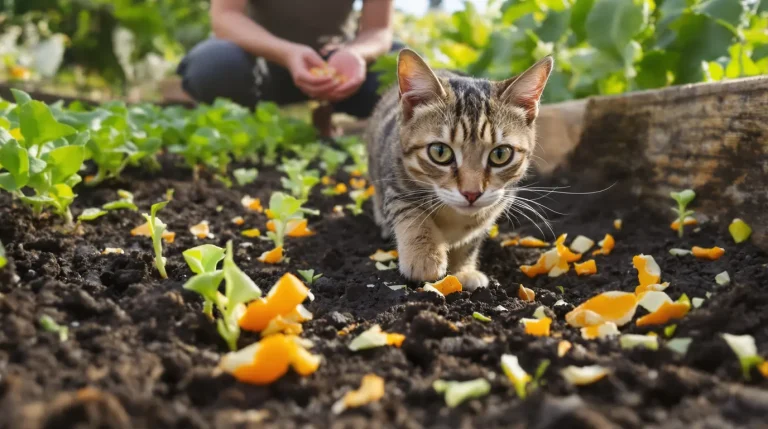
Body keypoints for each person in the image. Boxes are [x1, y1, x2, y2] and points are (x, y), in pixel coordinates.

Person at [177, 0, 398, 135]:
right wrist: (287, 53)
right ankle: (254, 122)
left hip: (336, 65)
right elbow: (225, 16)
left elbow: (378, 30)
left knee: (401, 73)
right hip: (260, 58)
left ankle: (325, 111)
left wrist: (355, 54)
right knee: (213, 66)